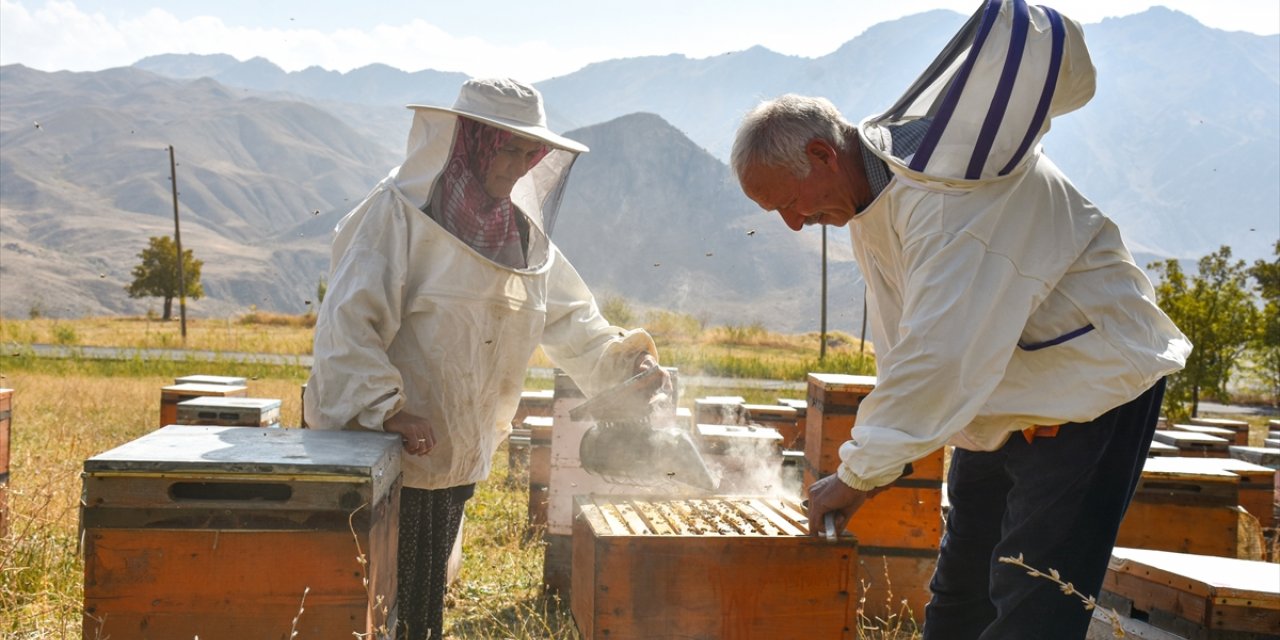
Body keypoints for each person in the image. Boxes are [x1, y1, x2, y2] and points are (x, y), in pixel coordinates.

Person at [730, 1, 1191, 638]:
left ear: (820, 153)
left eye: (788, 202)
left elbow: (940, 354)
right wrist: (883, 448)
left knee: (1030, 603)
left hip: (1087, 388)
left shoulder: (950, 201)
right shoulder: (871, 194)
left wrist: (861, 473)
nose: (793, 221)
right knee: (958, 602)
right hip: (1000, 399)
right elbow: (912, 343)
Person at [304, 77, 666, 640]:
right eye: (509, 148)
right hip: (386, 450)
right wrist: (386, 407)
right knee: (372, 607)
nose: (521, 165)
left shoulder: (520, 233)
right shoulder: (396, 215)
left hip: (457, 448)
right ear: (470, 141)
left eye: (531, 152)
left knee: (420, 606)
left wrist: (626, 366)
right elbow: (347, 324)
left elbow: (572, 319)